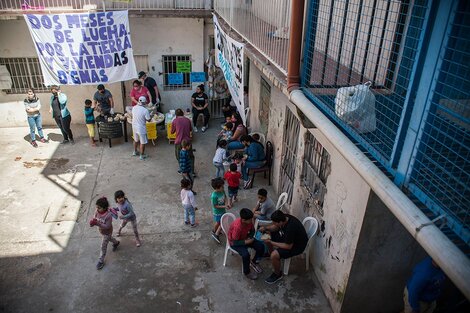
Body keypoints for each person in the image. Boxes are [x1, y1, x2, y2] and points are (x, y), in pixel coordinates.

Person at [260, 210, 308, 284]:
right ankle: (270, 253)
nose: (273, 224)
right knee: (267, 234)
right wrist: (266, 228)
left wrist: (271, 242)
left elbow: (288, 246)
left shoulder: (291, 228)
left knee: (274, 255)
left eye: (275, 223)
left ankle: (277, 274)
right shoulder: (284, 217)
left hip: (297, 246)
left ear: (281, 222)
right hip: (289, 239)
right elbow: (275, 227)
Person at [228, 208, 265, 280]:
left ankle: (254, 262)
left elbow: (252, 230)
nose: (251, 221)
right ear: (244, 220)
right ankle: (247, 272)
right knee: (246, 255)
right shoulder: (237, 227)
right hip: (235, 243)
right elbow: (234, 242)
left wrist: (250, 237)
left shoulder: (249, 222)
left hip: (245, 238)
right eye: (250, 219)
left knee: (260, 246)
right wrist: (246, 242)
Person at [89, 197, 120, 270]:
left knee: (103, 246)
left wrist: (97, 223)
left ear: (105, 208)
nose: (97, 209)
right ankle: (116, 243)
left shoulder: (108, 215)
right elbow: (95, 216)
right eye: (96, 207)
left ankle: (101, 261)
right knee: (110, 239)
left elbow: (107, 226)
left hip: (107, 232)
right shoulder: (97, 211)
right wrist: (93, 220)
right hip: (101, 230)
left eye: (99, 208)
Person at [171, 108, 195, 174]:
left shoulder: (175, 121)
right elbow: (190, 130)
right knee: (190, 157)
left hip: (179, 142)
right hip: (187, 142)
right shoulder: (188, 120)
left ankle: (182, 169)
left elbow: (172, 132)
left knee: (179, 156)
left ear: (176, 115)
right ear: (183, 113)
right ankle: (192, 172)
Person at [210, 177, 230, 244]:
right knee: (221, 222)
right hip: (217, 212)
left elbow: (225, 197)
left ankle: (214, 231)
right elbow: (215, 206)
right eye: (222, 187)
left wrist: (227, 203)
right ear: (216, 188)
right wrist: (224, 206)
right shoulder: (214, 196)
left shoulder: (222, 190)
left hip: (223, 210)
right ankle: (216, 234)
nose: (223, 187)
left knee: (219, 222)